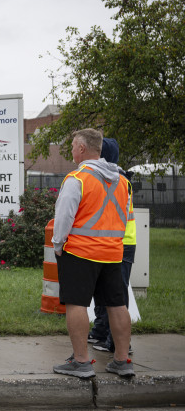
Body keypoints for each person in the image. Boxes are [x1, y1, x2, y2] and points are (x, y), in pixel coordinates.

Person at [51, 128, 134, 378]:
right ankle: (122, 360)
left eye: (74, 146)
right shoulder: (122, 181)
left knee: (76, 304)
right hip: (112, 254)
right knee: (117, 305)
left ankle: (81, 361)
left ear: (83, 149)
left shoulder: (78, 178)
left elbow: (64, 217)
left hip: (80, 252)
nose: (72, 151)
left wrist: (58, 245)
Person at [89, 137, 136, 354]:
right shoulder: (117, 178)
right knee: (102, 292)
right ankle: (101, 331)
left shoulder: (116, 180)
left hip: (121, 242)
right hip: (111, 240)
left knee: (116, 295)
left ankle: (117, 342)